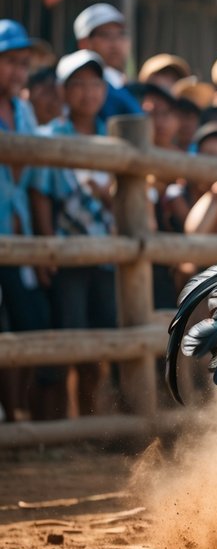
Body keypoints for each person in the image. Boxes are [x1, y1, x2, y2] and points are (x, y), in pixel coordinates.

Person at [26, 50, 119, 418]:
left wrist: (107, 197)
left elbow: (124, 201)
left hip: (108, 255)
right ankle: (68, 424)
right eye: (77, 84)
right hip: (68, 255)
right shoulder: (51, 136)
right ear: (62, 91)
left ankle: (91, 419)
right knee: (71, 336)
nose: (87, 92)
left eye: (94, 83)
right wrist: (49, 250)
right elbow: (41, 195)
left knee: (101, 340)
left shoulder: (112, 136)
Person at [0, 19, 60, 421]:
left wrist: (44, 248)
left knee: (27, 324)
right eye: (10, 61)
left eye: (23, 63)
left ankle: (20, 418)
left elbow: (36, 185)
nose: (18, 70)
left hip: (18, 234)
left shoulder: (23, 111)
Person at [72, 3, 141, 120]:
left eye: (121, 35)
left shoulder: (127, 87)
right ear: (83, 43)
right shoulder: (76, 87)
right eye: (105, 35)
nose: (115, 44)